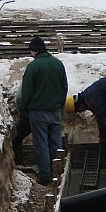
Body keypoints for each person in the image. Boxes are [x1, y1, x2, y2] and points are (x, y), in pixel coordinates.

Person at [20, 37, 68, 185]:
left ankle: (45, 176)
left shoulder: (33, 67)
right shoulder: (58, 64)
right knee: (56, 142)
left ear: (33, 50)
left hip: (38, 112)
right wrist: (59, 104)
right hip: (55, 110)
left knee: (41, 144)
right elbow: (64, 87)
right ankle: (58, 173)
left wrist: (25, 110)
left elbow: (26, 92)